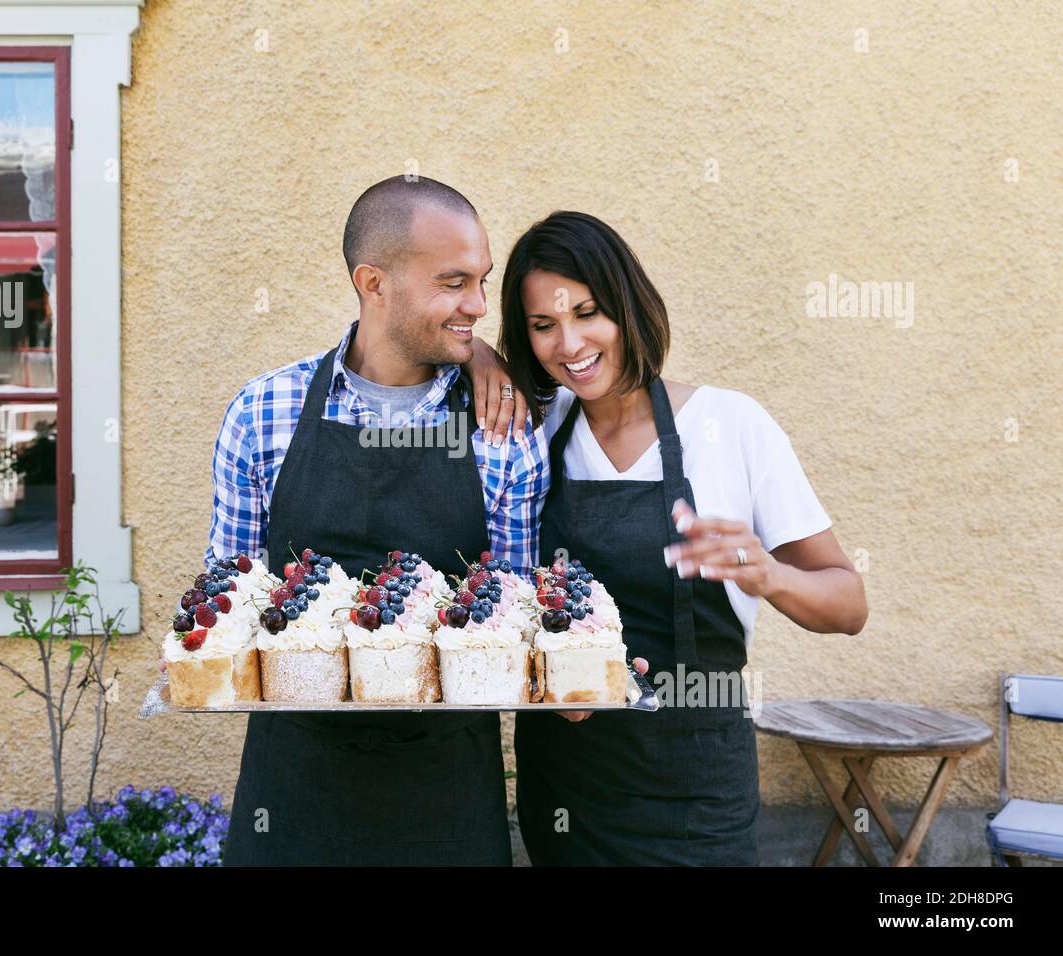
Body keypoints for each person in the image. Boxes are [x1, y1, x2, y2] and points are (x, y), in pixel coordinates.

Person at [495, 210, 868, 865]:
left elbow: (848, 603)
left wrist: (769, 576)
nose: (570, 343)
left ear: (627, 306)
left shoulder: (731, 425)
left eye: (588, 313)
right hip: (567, 787)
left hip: (696, 797)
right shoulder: (532, 433)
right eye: (543, 325)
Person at [208, 176, 547, 865]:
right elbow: (228, 600)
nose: (479, 306)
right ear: (374, 283)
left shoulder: (503, 430)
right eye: (454, 283)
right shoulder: (261, 413)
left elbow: (516, 618)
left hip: (445, 794)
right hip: (295, 788)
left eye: (482, 281)